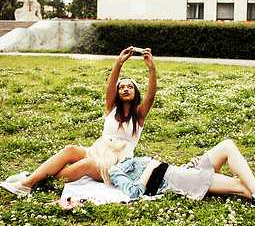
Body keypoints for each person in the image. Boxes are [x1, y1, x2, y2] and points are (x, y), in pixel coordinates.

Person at [0, 47, 157, 196]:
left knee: (86, 165)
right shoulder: (112, 108)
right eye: (121, 87)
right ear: (117, 92)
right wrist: (119, 62)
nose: (125, 89)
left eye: (130, 87)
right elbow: (110, 85)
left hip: (118, 164)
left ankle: (27, 182)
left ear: (136, 92)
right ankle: (29, 181)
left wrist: (151, 68)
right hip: (98, 152)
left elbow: (150, 96)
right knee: (70, 150)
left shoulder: (139, 115)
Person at [95, 137, 255, 208]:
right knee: (239, 187)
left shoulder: (131, 159)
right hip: (180, 181)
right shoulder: (116, 170)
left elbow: (167, 172)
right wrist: (149, 168)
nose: (116, 138)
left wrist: (187, 165)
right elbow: (133, 192)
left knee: (227, 145)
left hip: (183, 173)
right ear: (107, 150)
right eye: (110, 140)